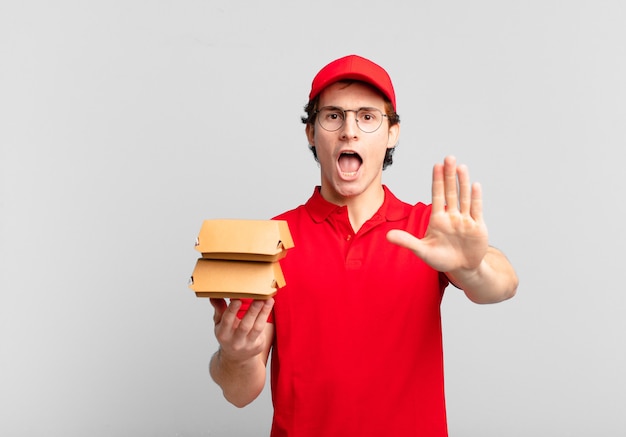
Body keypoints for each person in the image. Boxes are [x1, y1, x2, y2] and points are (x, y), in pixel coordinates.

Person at [208, 54, 518, 436]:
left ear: (392, 133)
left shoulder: (426, 229)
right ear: (311, 133)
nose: (349, 131)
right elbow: (240, 392)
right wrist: (234, 357)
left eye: (367, 117)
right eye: (333, 116)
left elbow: (503, 284)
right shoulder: (274, 237)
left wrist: (472, 267)